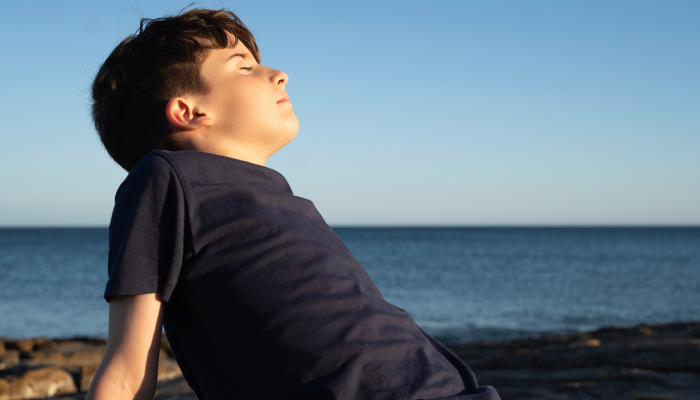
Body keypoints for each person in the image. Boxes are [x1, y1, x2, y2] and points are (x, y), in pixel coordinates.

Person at [86, 8, 500, 400]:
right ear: (188, 111)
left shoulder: (284, 198)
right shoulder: (164, 177)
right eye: (244, 66)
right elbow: (127, 369)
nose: (280, 75)